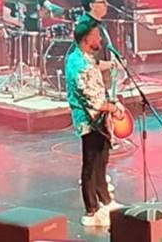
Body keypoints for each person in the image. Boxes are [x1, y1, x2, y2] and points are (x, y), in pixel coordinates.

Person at [65, 15, 124, 228]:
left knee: (101, 160)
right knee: (90, 163)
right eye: (97, 36)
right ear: (86, 39)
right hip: (89, 121)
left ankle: (105, 201)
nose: (100, 39)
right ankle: (91, 210)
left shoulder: (86, 58)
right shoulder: (79, 65)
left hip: (99, 119)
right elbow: (94, 100)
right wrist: (114, 108)